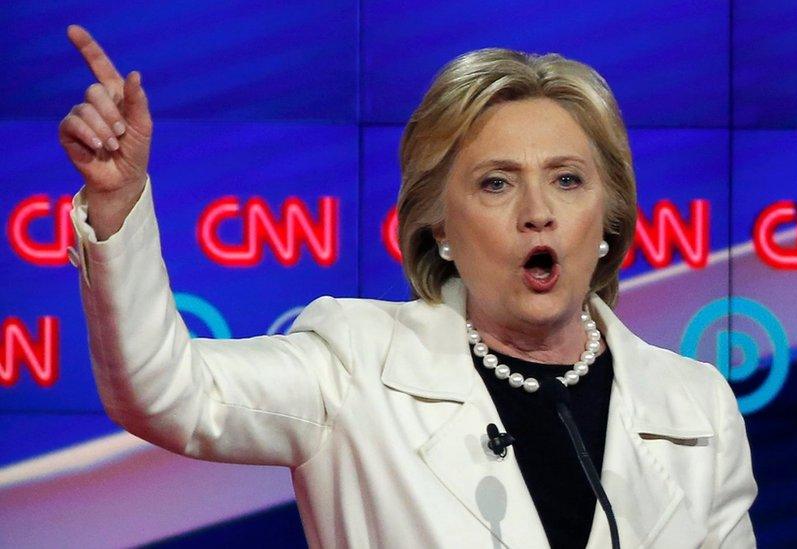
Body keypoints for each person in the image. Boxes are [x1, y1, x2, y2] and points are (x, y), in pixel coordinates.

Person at [59, 23, 757, 549]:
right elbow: (165, 391)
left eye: (568, 179)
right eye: (496, 182)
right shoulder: (355, 366)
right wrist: (119, 203)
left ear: (608, 216)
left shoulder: (695, 409)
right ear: (440, 226)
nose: (537, 210)